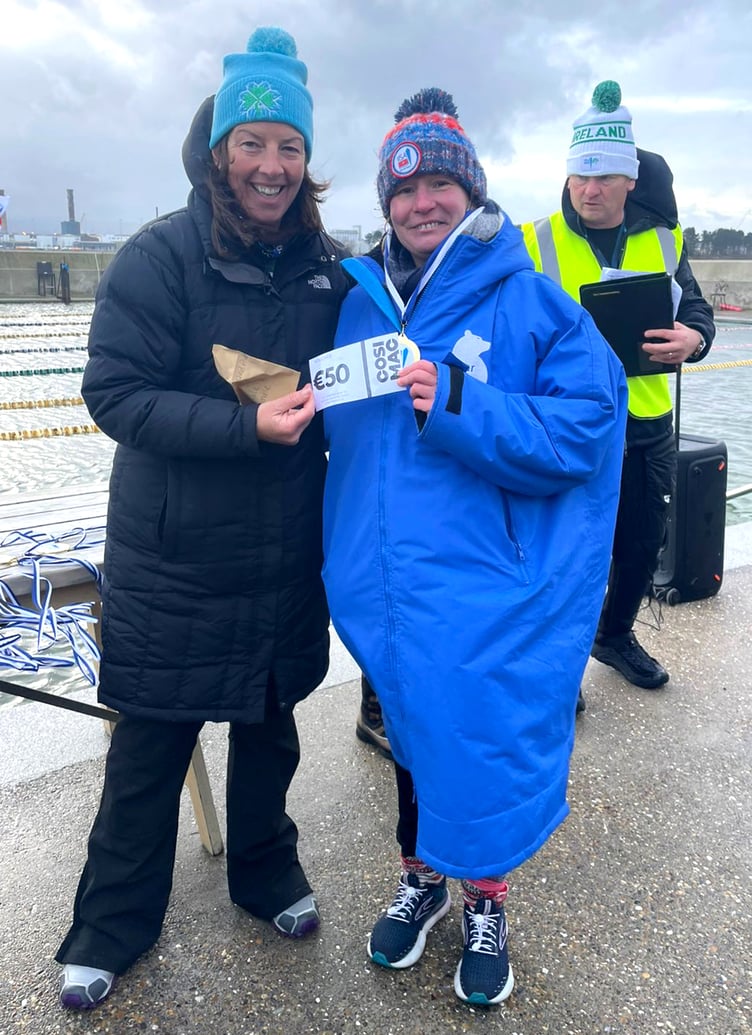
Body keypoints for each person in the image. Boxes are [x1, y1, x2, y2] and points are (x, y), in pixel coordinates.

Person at [55, 26, 349, 1010]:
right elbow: (115, 396)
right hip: (173, 560)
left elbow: (379, 361)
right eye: (253, 143)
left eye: (289, 147)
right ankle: (111, 921)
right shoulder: (159, 257)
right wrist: (243, 427)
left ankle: (264, 871)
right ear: (219, 148)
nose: (271, 166)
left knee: (271, 731)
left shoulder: (328, 270)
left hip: (283, 555)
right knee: (151, 747)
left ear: (307, 162)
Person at [321, 88, 628, 1007]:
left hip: (482, 584)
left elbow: (589, 421)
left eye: (441, 185)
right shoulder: (361, 302)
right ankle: (423, 876)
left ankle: (487, 896)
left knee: (479, 737)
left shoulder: (530, 297)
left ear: (471, 191)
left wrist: (459, 402)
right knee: (413, 737)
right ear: (386, 202)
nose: (422, 204)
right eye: (404, 190)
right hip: (385, 584)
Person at [521, 81, 715, 697]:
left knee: (639, 545)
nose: (590, 189)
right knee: (567, 556)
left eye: (605, 177)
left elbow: (701, 315)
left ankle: (614, 634)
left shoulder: (665, 240)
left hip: (649, 425)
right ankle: (561, 663)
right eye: (580, 175)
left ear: (631, 180)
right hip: (572, 428)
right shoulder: (534, 241)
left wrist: (694, 340)